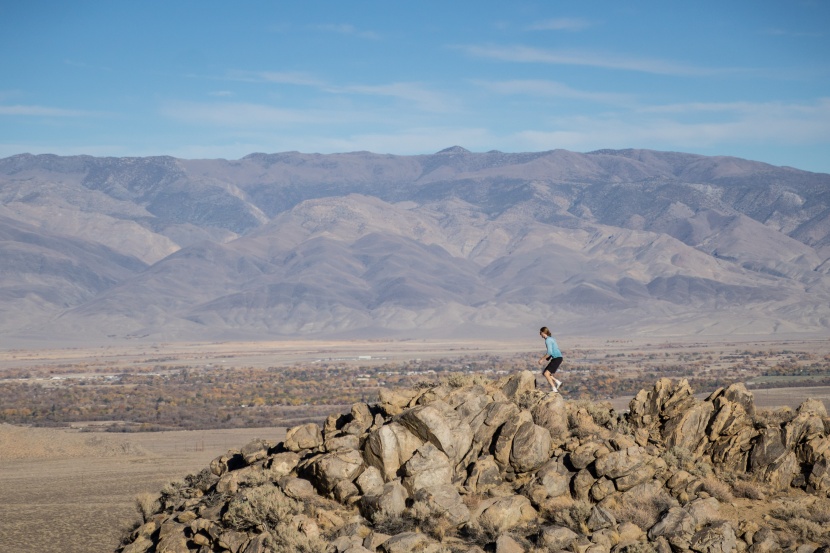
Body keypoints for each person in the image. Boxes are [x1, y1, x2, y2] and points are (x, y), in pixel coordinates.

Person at [538, 326, 563, 392]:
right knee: (545, 373)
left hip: (556, 358)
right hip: (558, 358)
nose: (540, 334)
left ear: (543, 332)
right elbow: (553, 349)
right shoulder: (551, 338)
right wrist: (548, 357)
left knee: (546, 374)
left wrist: (542, 359)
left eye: (540, 332)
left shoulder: (548, 340)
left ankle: (554, 389)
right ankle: (558, 382)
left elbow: (549, 352)